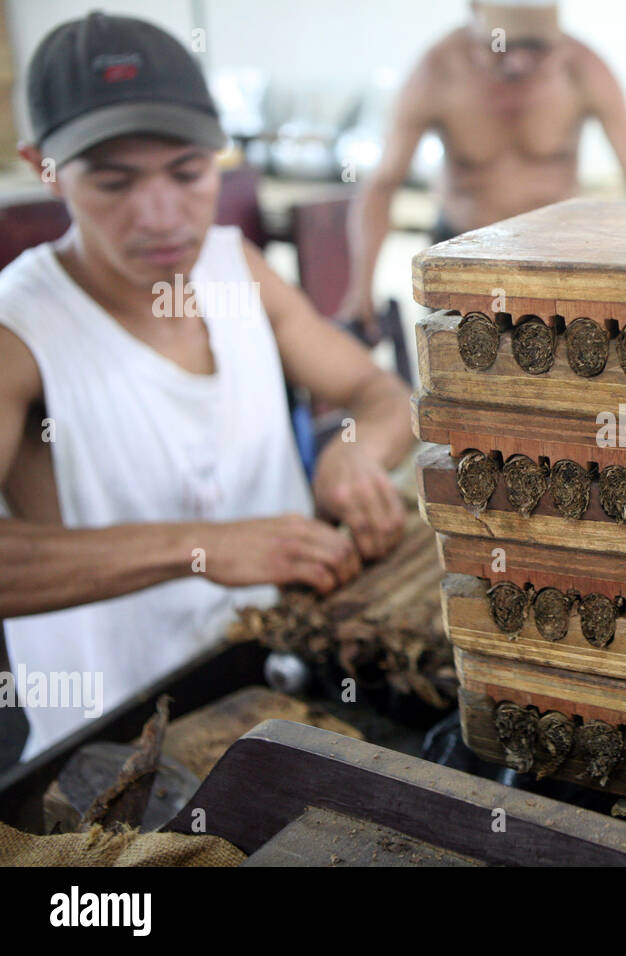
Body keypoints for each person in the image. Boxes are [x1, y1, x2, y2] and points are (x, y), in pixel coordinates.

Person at [0, 13, 413, 760]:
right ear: (45, 167)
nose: (160, 216)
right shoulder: (19, 330)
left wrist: (356, 453)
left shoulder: (235, 269)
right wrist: (199, 548)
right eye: (113, 182)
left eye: (188, 172)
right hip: (119, 745)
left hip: (282, 680)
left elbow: (381, 396)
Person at [341, 0, 626, 330]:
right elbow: (382, 185)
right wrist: (361, 289)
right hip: (464, 264)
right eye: (503, 47)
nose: (520, 64)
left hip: (557, 264)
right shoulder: (438, 72)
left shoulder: (582, 69)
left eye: (536, 49)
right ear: (474, 17)